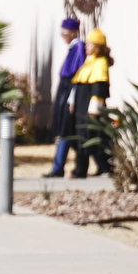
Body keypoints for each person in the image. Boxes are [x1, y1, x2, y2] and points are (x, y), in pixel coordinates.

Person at [70, 27, 113, 178]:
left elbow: (99, 89)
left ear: (98, 46)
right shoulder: (89, 62)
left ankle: (83, 170)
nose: (86, 46)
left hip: (90, 109)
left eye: (89, 44)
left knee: (91, 139)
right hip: (81, 107)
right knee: (83, 137)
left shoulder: (101, 63)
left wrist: (94, 108)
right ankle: (100, 168)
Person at [48, 17, 85, 178]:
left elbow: (77, 76)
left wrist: (72, 99)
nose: (63, 35)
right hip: (64, 91)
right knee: (66, 132)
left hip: (69, 93)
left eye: (65, 32)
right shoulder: (72, 48)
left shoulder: (78, 48)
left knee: (65, 132)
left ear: (73, 32)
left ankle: (58, 168)